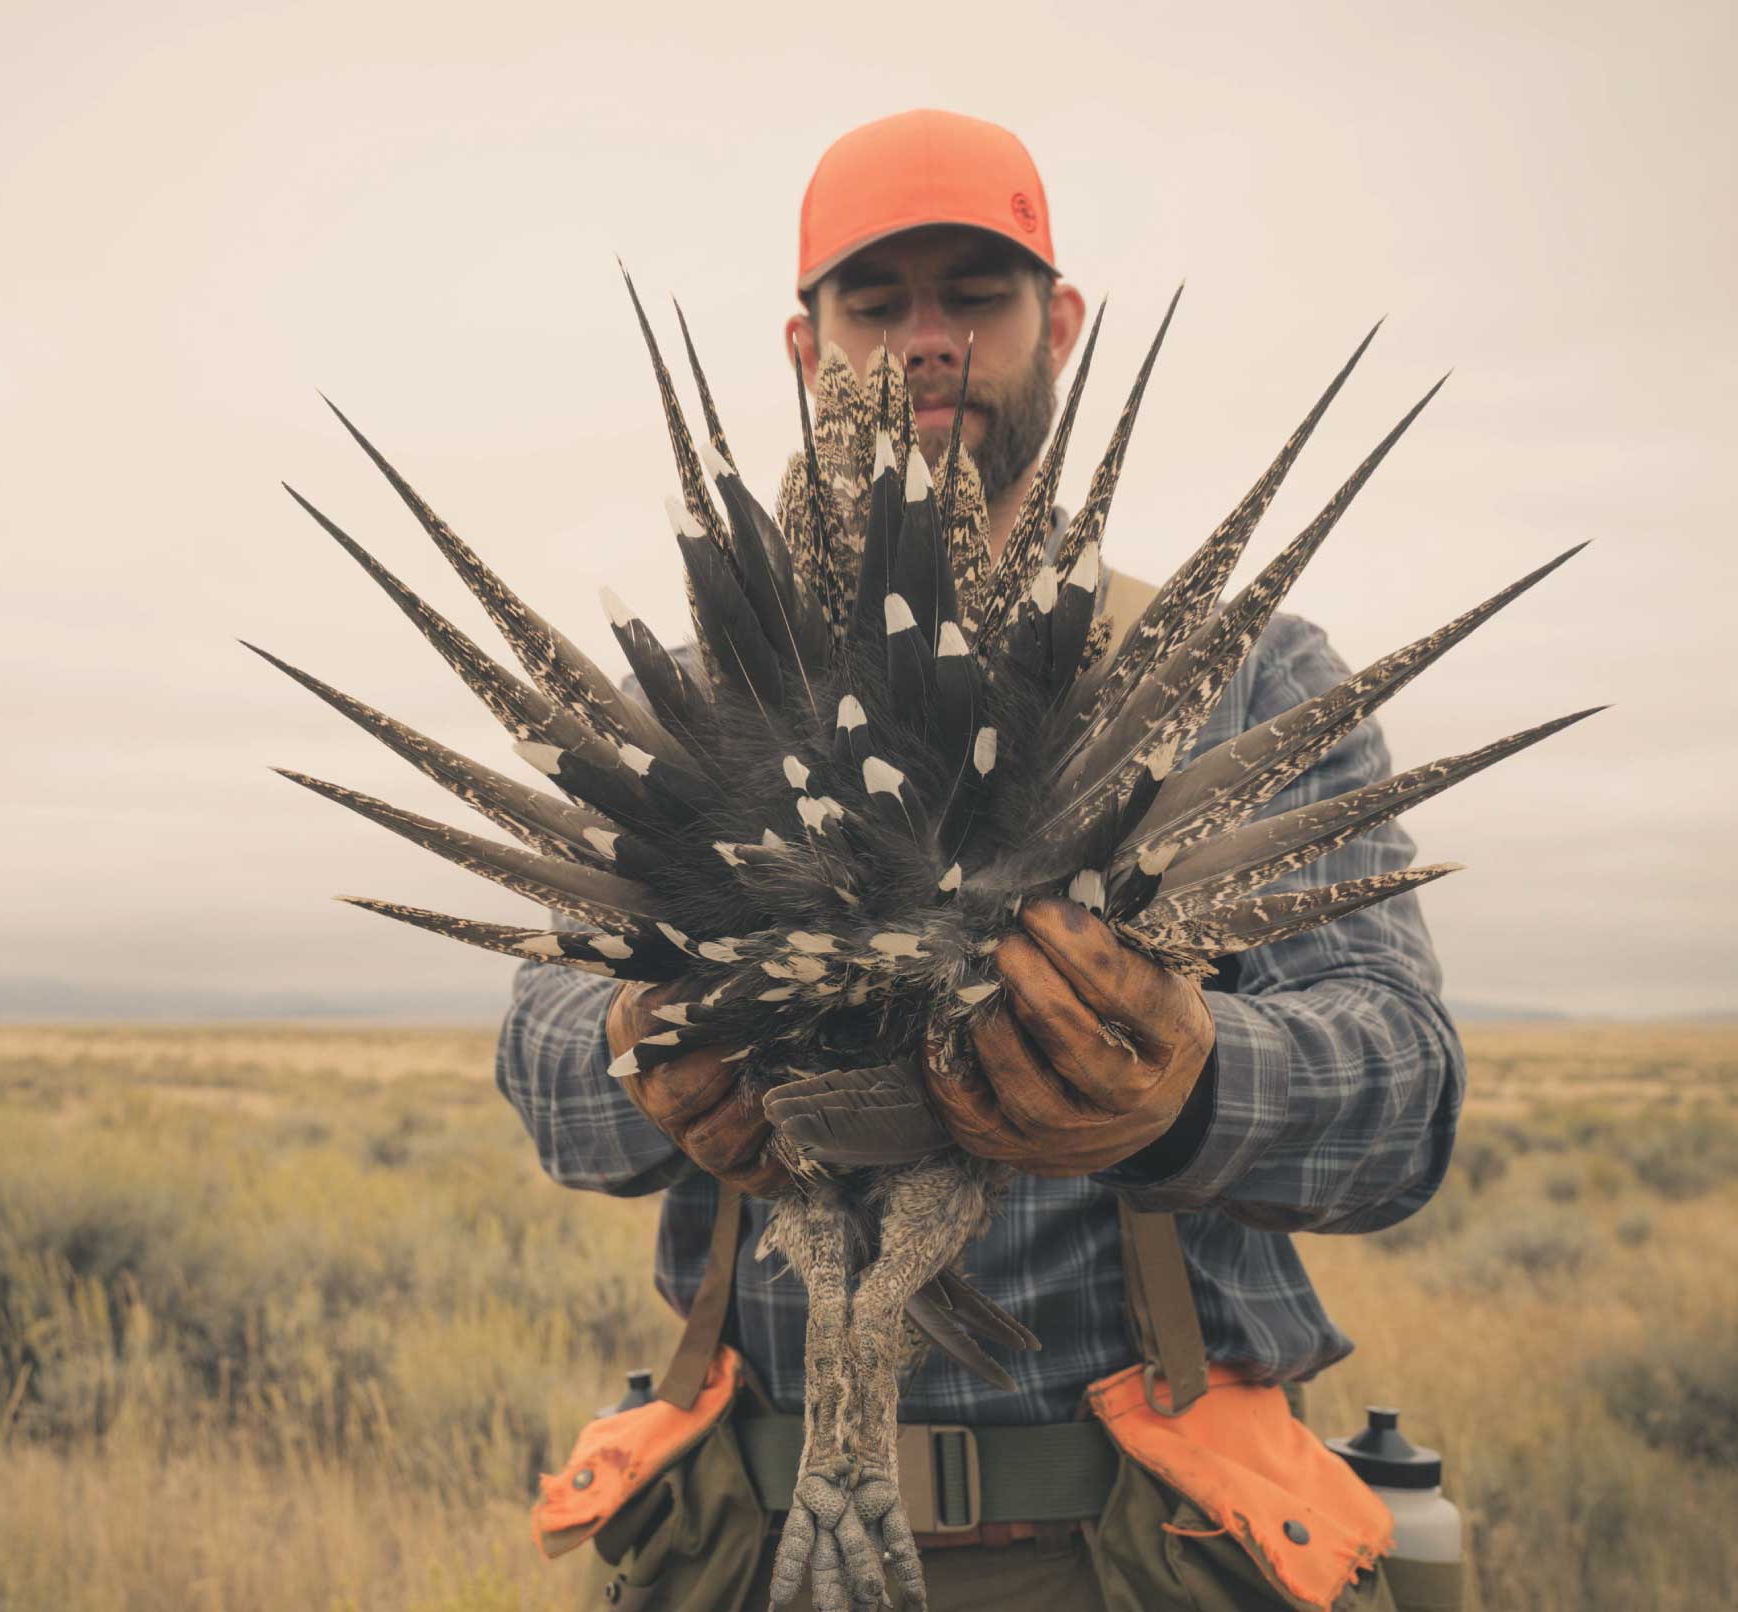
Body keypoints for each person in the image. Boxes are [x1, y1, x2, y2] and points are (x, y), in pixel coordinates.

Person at [501, 109, 1463, 1611]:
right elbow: (541, 1056)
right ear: (805, 348)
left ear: (1058, 323)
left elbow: (1400, 1095)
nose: (927, 339)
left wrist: (1184, 1079)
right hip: (752, 1539)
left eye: (977, 294)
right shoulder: (703, 712)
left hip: (1137, 1537)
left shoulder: (1230, 681)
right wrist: (642, 1052)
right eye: (876, 302)